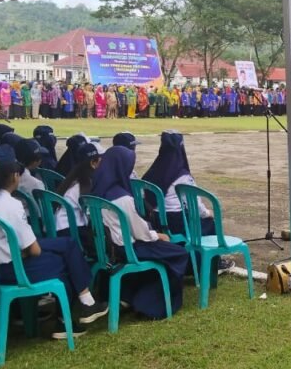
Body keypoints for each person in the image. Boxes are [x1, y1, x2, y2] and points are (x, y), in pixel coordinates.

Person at [0, 146, 108, 338]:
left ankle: (84, 304)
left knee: (66, 245)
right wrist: (25, 253)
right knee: (66, 262)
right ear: (13, 176)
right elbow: (34, 250)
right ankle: (72, 314)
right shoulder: (10, 204)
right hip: (12, 269)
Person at [89, 147, 189, 318]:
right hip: (129, 248)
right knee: (178, 253)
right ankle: (149, 305)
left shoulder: (95, 191)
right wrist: (157, 235)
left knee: (165, 250)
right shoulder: (122, 198)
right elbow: (141, 233)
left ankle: (127, 295)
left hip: (108, 248)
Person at [142, 131, 217, 238]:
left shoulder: (153, 171)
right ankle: (202, 253)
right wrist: (207, 213)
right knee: (208, 221)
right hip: (176, 221)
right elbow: (195, 205)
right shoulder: (182, 176)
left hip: (154, 218)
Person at [54, 142, 102, 252]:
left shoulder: (73, 178)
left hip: (60, 227)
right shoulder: (85, 184)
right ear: (92, 163)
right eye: (99, 159)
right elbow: (91, 216)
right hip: (70, 230)